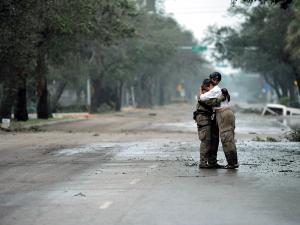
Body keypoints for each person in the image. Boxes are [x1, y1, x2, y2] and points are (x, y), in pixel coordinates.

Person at [199, 72, 239, 169]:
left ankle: (232, 163)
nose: (215, 82)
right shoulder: (219, 90)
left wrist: (201, 90)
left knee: (226, 138)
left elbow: (202, 98)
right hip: (223, 114)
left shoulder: (215, 89)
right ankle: (230, 162)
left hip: (223, 114)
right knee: (225, 138)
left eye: (217, 80)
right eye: (213, 79)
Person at [194, 78, 226, 169]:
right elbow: (212, 103)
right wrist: (222, 97)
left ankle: (212, 162)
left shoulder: (209, 93)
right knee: (206, 140)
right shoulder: (203, 94)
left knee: (214, 141)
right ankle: (203, 163)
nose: (213, 88)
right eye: (212, 86)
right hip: (203, 118)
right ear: (207, 86)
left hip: (209, 118)